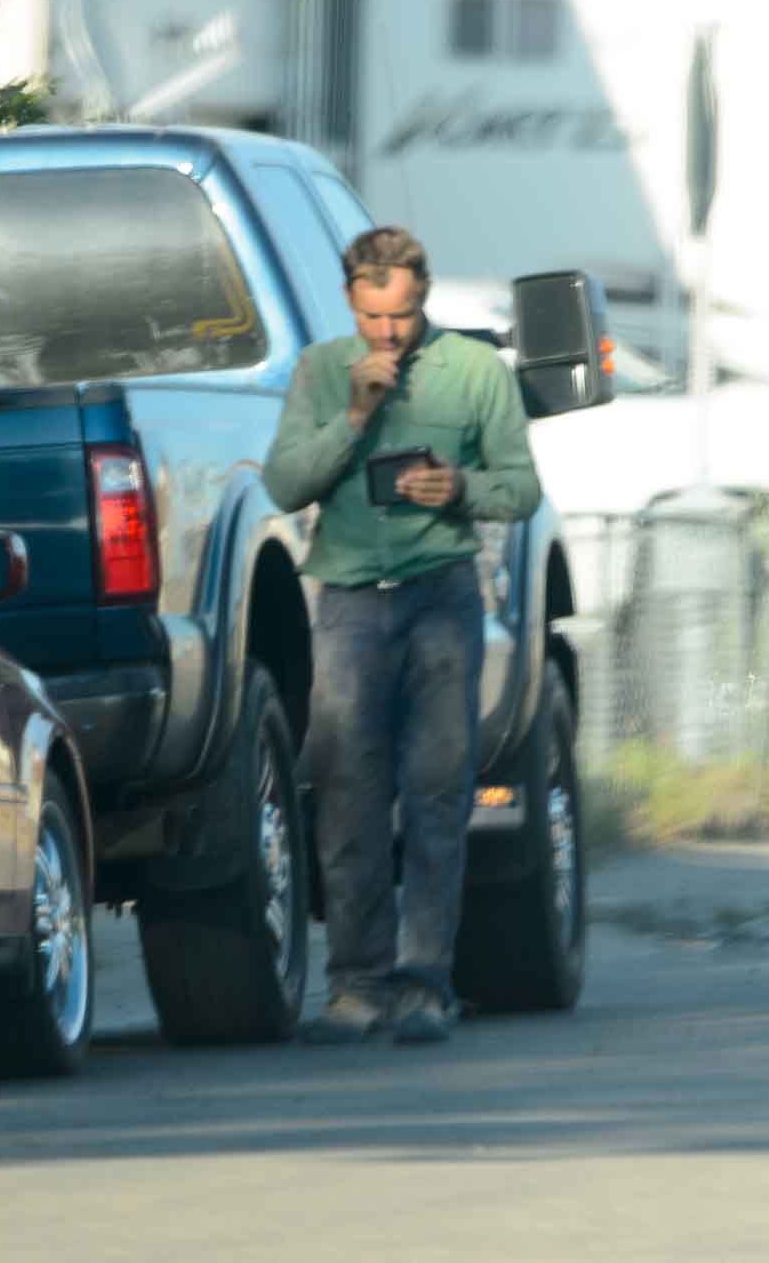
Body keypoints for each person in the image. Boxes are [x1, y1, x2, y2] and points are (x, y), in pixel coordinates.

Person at [262, 227, 542, 1045]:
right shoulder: (320, 373)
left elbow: (520, 488)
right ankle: (356, 983)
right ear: (351, 298)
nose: (391, 333)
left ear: (423, 298)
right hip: (349, 604)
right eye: (376, 316)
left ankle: (425, 983)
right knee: (347, 797)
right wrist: (355, 415)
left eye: (407, 314)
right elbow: (285, 483)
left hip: (440, 598)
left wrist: (459, 486)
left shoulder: (472, 371)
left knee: (435, 793)